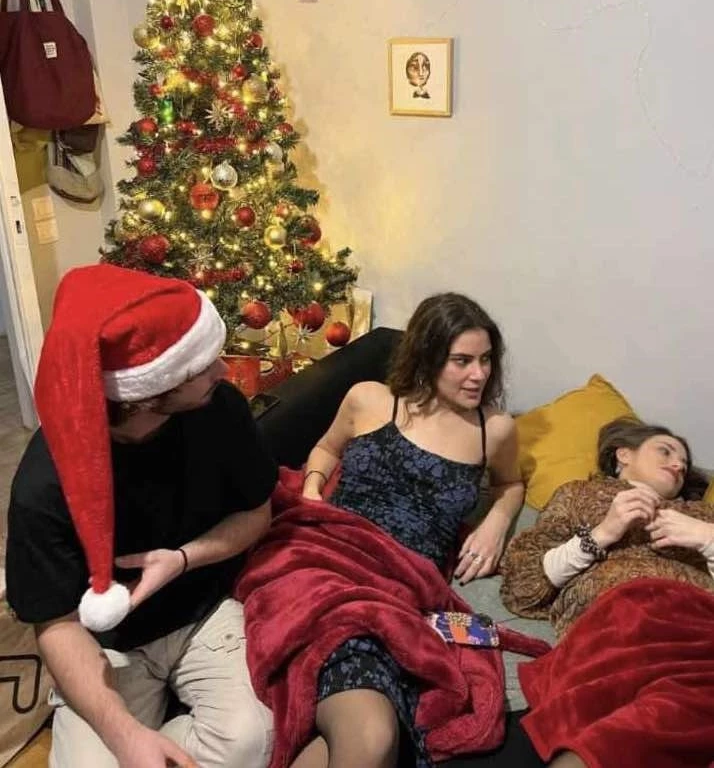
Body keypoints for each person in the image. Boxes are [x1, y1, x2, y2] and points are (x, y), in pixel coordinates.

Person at [236, 292, 536, 768]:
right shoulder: (369, 398)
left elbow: (510, 484)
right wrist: (312, 489)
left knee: (372, 732)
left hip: (402, 589)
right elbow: (326, 449)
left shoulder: (493, 428)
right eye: (462, 361)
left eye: (485, 360)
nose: (479, 374)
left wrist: (496, 522)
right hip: (327, 562)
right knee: (372, 735)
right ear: (427, 355)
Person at [6, 264, 278, 768]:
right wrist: (126, 737)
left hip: (204, 610)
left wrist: (182, 559)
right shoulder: (43, 486)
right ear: (144, 397)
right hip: (104, 643)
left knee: (254, 739)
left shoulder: (221, 409)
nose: (223, 371)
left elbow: (257, 513)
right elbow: (56, 625)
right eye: (199, 368)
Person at [500, 417, 714, 768]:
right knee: (675, 706)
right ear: (623, 454)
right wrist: (602, 533)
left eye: (684, 464)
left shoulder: (702, 515)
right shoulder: (579, 495)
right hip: (621, 621)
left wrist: (706, 539)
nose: (678, 465)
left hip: (698, 627)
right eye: (666, 451)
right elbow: (520, 586)